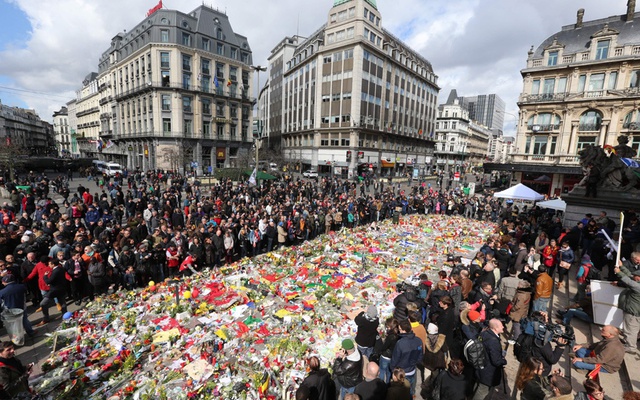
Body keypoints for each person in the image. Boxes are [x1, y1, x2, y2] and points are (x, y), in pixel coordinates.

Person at [473, 319, 507, 400]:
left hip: (480, 366)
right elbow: (496, 361)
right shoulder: (494, 341)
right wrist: (504, 361)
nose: (503, 327)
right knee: (482, 391)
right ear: (495, 328)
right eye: (501, 325)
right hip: (488, 372)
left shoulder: (484, 333)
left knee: (477, 386)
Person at [390, 319, 423, 396]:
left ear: (404, 330)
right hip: (412, 370)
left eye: (400, 329)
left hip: (402, 372)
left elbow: (395, 359)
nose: (399, 331)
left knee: (401, 393)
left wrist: (393, 370)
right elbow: (420, 356)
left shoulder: (400, 343)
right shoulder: (418, 341)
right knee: (410, 390)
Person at [614, 262, 640, 353]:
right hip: (631, 310)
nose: (634, 277)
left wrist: (619, 272)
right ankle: (627, 341)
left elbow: (628, 281)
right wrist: (622, 267)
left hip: (633, 313)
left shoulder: (638, 286)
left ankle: (631, 347)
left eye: (636, 276)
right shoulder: (637, 282)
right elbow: (630, 275)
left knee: (631, 329)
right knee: (628, 328)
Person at [37, 259, 68, 326]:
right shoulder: (61, 269)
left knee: (43, 303)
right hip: (61, 289)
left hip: (54, 290)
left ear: (53, 264)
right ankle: (65, 316)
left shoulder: (55, 271)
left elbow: (49, 281)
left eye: (49, 264)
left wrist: (45, 276)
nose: (49, 265)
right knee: (62, 302)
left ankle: (46, 318)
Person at [374, 317, 399, 384]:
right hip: (392, 357)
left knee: (382, 371)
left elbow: (384, 347)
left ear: (390, 327)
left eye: (387, 326)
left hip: (385, 356)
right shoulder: (397, 334)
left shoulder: (391, 336)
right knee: (389, 372)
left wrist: (382, 340)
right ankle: (388, 384)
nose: (386, 328)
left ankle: (381, 384)